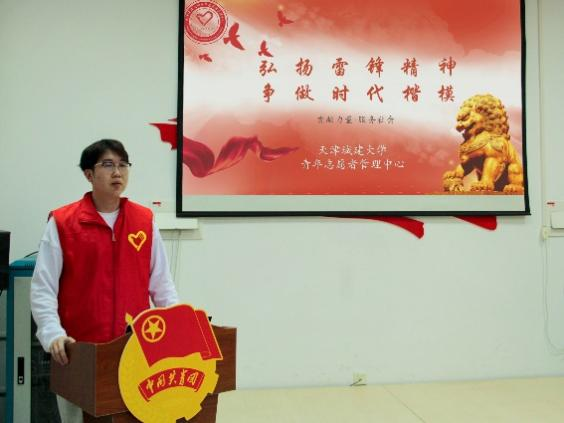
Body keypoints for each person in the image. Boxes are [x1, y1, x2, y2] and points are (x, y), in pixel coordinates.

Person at [30, 139, 179, 422]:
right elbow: (43, 288)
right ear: (89, 174)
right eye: (108, 165)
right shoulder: (63, 223)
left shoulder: (144, 221)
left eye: (123, 165)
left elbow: (162, 286)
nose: (117, 172)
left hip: (134, 350)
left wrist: (177, 327)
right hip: (78, 351)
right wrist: (52, 334)